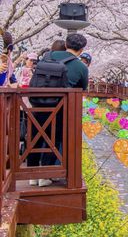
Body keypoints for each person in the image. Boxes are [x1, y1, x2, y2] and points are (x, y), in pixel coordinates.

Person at [28, 33, 89, 187]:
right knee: (53, 138)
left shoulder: (47, 57)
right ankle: (46, 175)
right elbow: (82, 87)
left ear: (66, 44)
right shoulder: (81, 66)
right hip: (60, 107)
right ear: (81, 50)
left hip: (37, 104)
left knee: (35, 137)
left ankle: (32, 175)